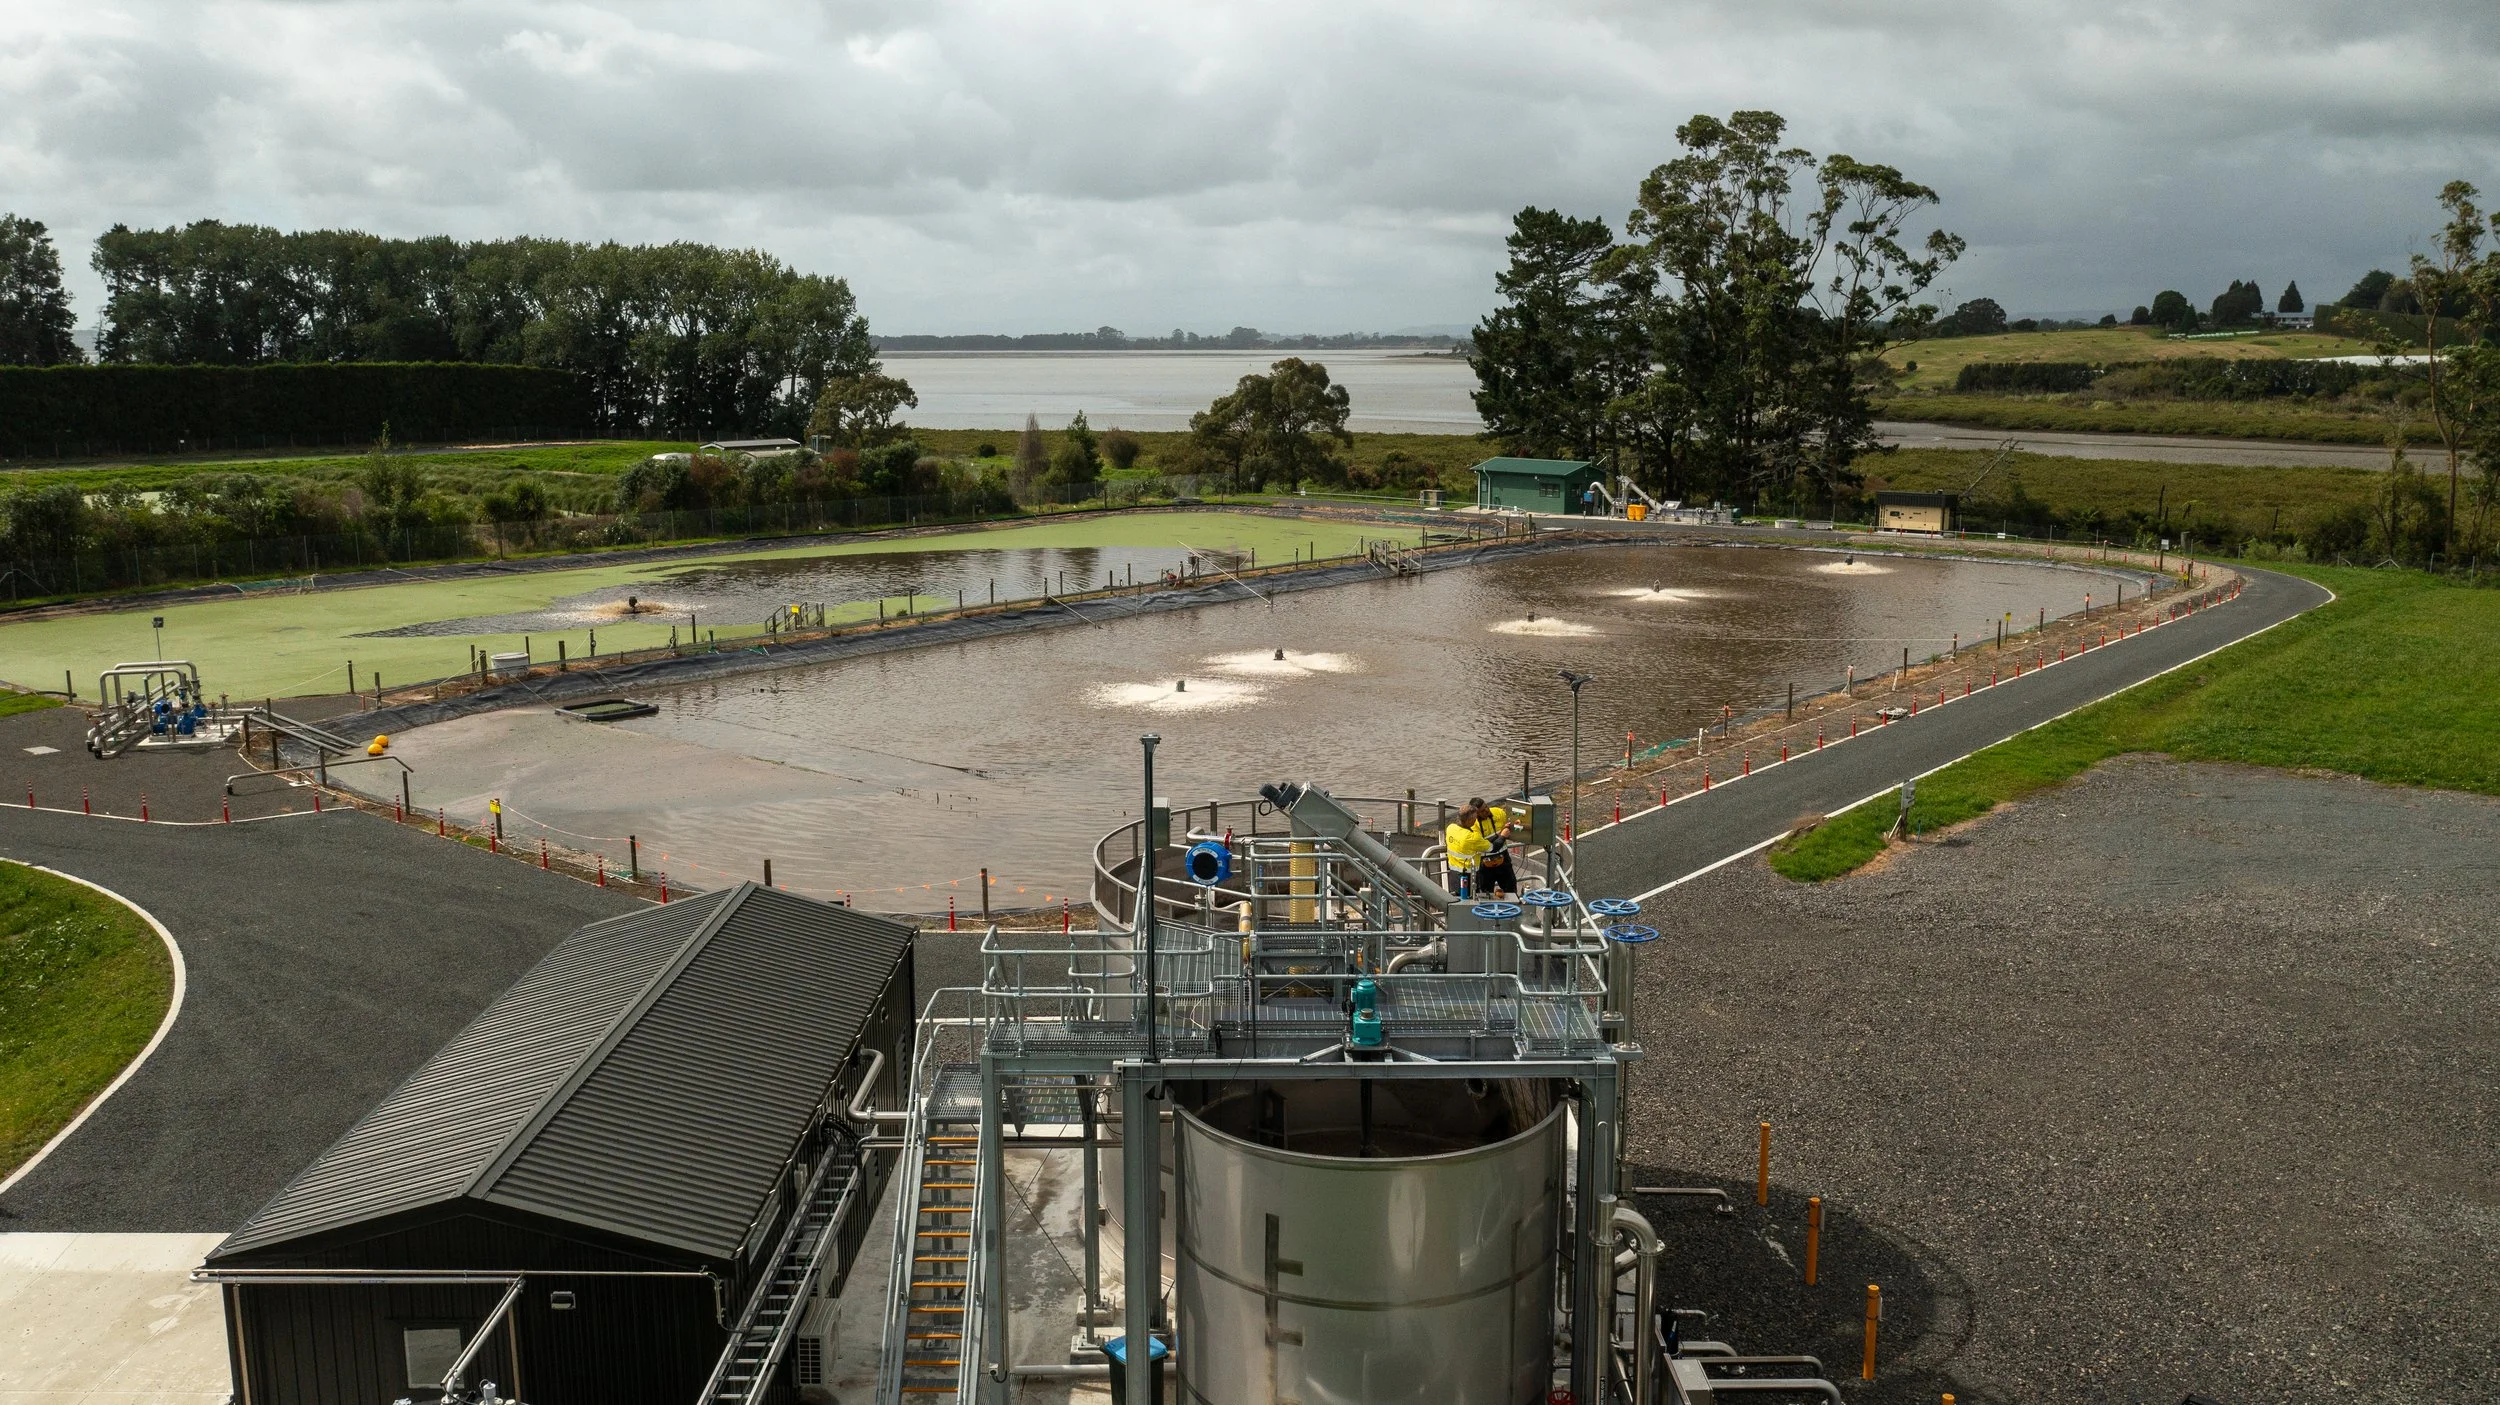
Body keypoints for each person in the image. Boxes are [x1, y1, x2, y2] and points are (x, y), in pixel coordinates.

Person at [1463, 797, 1521, 897]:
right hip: (1484, 863)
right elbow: (1484, 845)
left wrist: (1514, 826)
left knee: (1511, 890)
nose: (1486, 811)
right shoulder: (1473, 825)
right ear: (1476, 815)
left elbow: (1514, 821)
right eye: (1482, 811)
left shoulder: (1498, 812)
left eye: (1486, 806)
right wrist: (1501, 835)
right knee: (1485, 894)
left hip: (1503, 859)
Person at [1443, 808, 1490, 897]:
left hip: (1453, 874)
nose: (1476, 820)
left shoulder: (1450, 828)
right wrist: (1502, 836)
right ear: (1469, 820)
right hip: (1469, 876)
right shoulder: (1471, 837)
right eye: (1475, 818)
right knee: (1469, 900)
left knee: (1455, 898)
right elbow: (1490, 847)